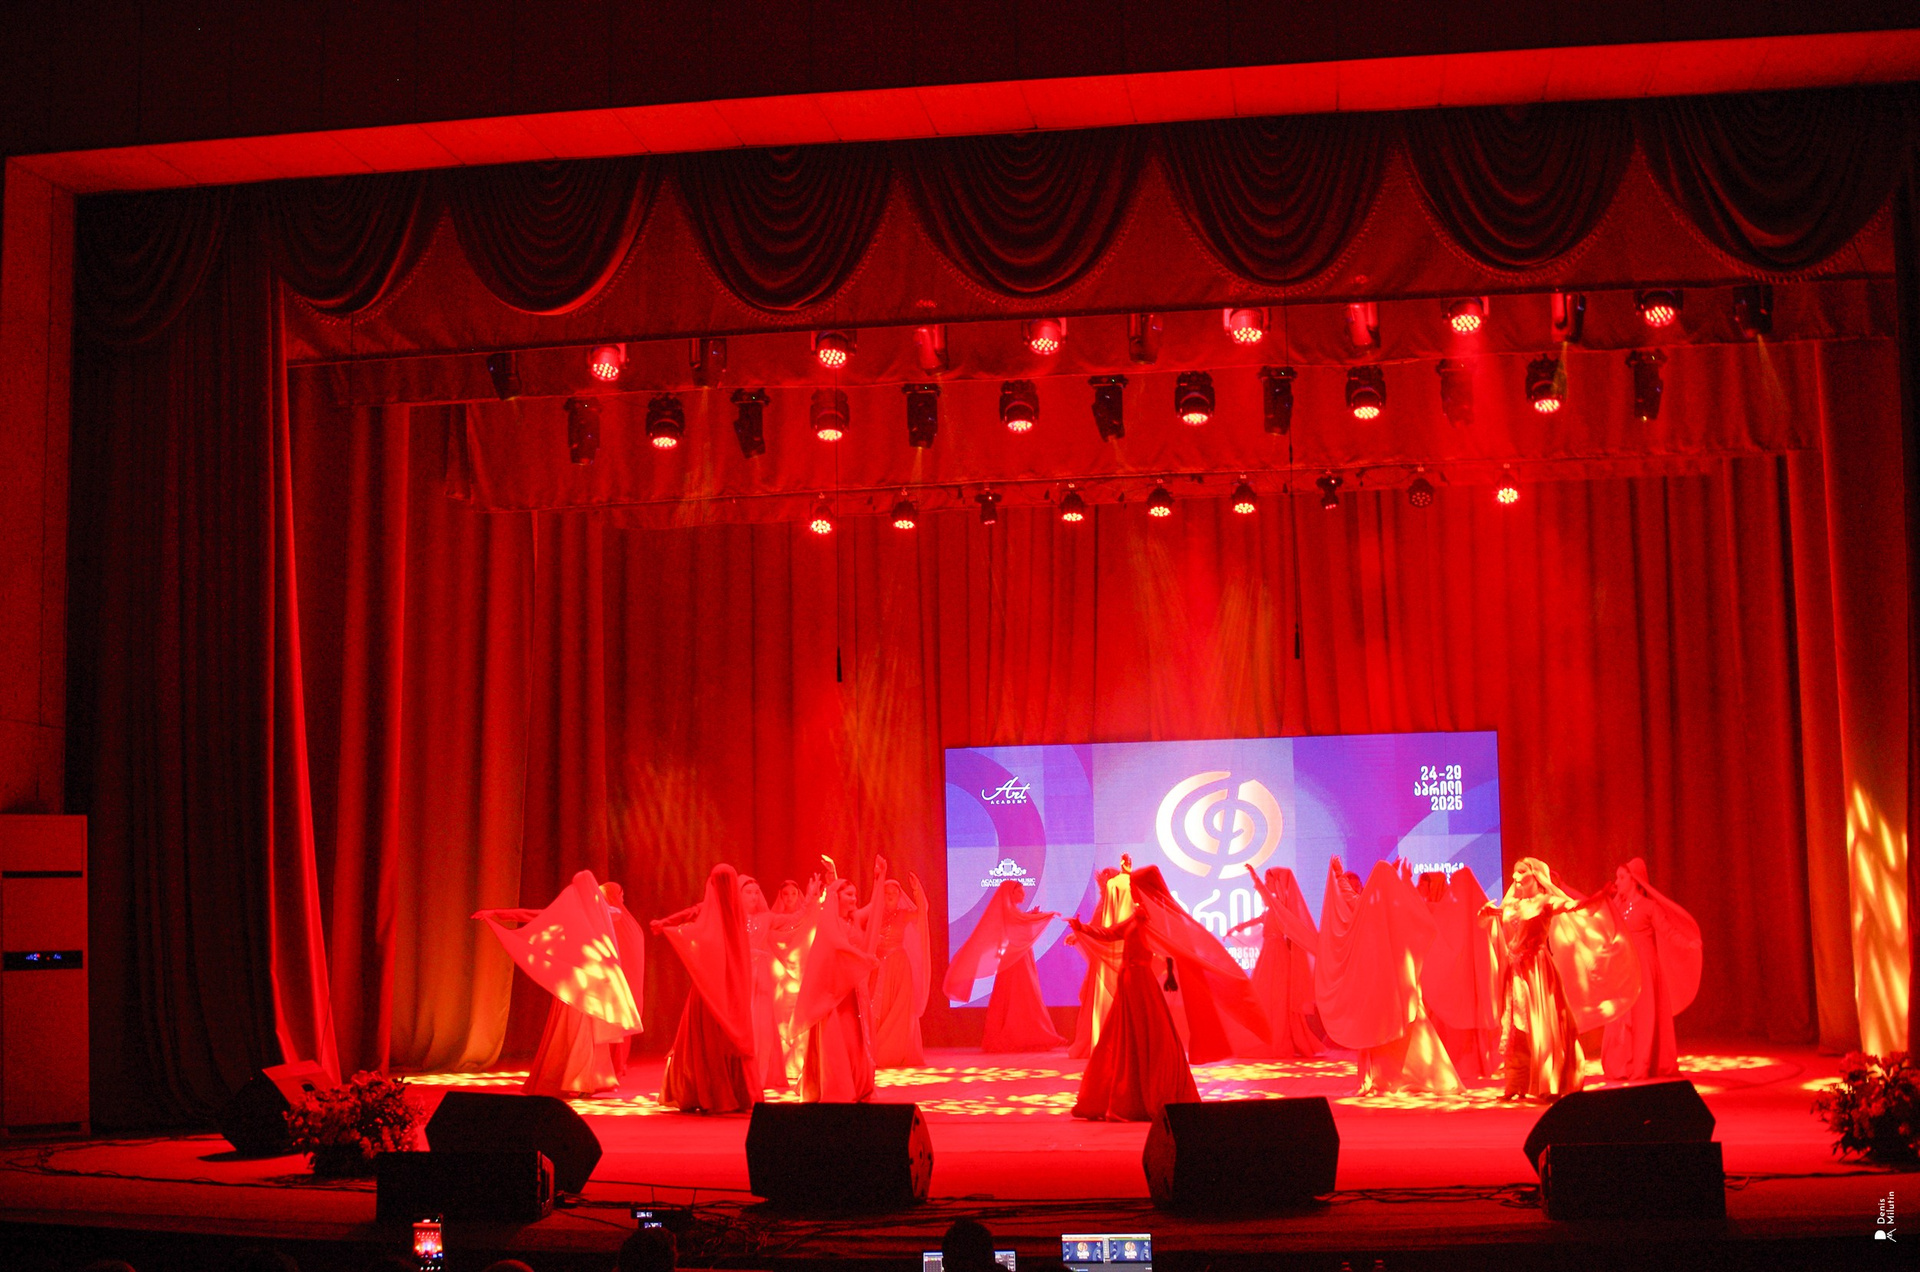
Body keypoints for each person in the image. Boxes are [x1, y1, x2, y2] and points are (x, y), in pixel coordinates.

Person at [1069, 865, 1266, 1119]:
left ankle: (1146, 1097)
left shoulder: (1155, 919)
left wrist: (1171, 972)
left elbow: (1173, 948)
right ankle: (1116, 1098)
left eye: (1134, 888)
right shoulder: (1136, 917)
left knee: (1150, 1040)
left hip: (1142, 985)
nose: (1132, 892)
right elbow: (1110, 934)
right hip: (1127, 985)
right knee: (1122, 1040)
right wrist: (1082, 928)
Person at [1479, 858, 1639, 1101]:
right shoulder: (1511, 904)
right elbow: (1494, 920)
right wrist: (1486, 914)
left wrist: (1598, 897)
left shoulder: (1546, 902)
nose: (1515, 877)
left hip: (1537, 971)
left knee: (1542, 1026)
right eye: (1514, 872)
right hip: (1515, 973)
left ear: (1535, 876)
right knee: (1516, 1028)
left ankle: (1549, 1083)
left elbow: (1574, 906)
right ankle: (1515, 1084)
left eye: (1521, 872)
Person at [475, 871, 645, 1096]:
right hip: (591, 980)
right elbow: (613, 913)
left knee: (578, 1031)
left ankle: (580, 1080)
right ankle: (586, 1079)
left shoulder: (582, 912)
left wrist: (496, 913)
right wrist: (496, 913)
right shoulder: (603, 912)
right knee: (585, 1032)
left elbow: (533, 914)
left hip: (580, 981)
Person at [1314, 858, 1460, 1095]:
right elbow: (1423, 923)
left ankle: (1389, 1077)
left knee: (1384, 1025)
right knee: (1397, 1026)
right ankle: (1404, 1076)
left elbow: (1349, 897)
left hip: (1381, 981)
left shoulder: (1370, 907)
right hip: (1393, 981)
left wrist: (1339, 875)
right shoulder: (1392, 907)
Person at [653, 863, 760, 1113]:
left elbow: (694, 921)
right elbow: (693, 913)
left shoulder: (719, 912)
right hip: (731, 986)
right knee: (729, 1035)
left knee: (709, 1036)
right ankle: (735, 1092)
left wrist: (668, 927)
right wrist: (667, 923)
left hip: (710, 986)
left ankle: (709, 1093)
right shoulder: (735, 911)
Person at [1601, 857, 1702, 1081]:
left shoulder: (1649, 907)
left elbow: (1669, 932)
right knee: (1622, 1019)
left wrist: (1688, 944)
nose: (1617, 882)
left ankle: (1641, 1065)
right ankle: (1623, 1066)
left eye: (1622, 877)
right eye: (1617, 877)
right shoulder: (1618, 906)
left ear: (1635, 881)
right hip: (1625, 971)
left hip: (1644, 971)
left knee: (1642, 1018)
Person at [944, 879, 1065, 1052]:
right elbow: (1019, 923)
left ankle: (1028, 1036)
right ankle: (1023, 1037)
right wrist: (1042, 916)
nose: (1023, 895)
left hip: (1018, 957)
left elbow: (1020, 922)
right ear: (1010, 893)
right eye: (1020, 892)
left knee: (1022, 995)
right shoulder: (1008, 912)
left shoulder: (1011, 911)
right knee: (1020, 994)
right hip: (1014, 960)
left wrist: (1032, 916)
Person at [793, 867, 880, 1102]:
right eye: (849, 894)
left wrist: (878, 879)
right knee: (837, 1041)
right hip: (834, 995)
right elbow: (838, 946)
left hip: (853, 991)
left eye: (855, 894)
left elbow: (875, 908)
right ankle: (838, 1087)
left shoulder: (855, 919)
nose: (854, 898)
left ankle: (858, 1085)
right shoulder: (828, 922)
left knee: (855, 1040)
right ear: (836, 897)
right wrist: (864, 959)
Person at [1226, 864, 1322, 1057]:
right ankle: (1268, 1036)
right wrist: (1237, 927)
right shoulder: (1273, 908)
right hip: (1268, 954)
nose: (1265, 884)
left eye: (1268, 881)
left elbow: (1266, 899)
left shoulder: (1281, 907)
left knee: (1276, 997)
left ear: (1277, 883)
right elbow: (1260, 919)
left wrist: (1254, 876)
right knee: (1264, 994)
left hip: (1277, 956)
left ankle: (1279, 1039)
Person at [1417, 868, 1500, 1079]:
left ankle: (1454, 1063)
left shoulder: (1451, 911)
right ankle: (1470, 1063)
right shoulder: (1469, 911)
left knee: (1452, 1019)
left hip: (1453, 977)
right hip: (1465, 977)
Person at [1067, 866, 1133, 1058]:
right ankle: (1101, 1040)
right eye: (1101, 881)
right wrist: (1079, 932)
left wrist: (1080, 932)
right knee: (1095, 998)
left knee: (1105, 999)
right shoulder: (1104, 902)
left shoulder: (1117, 903)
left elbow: (1109, 930)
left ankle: (1111, 1041)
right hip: (1102, 957)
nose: (1102, 884)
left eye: (1106, 880)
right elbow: (1097, 927)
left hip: (1109, 957)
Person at [869, 872, 932, 1066]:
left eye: (893, 893)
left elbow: (922, 912)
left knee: (900, 1009)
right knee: (878, 1008)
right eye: (886, 892)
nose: (890, 896)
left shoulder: (904, 914)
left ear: (899, 896)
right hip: (879, 966)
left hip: (899, 965)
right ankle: (878, 1050)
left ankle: (894, 1050)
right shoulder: (874, 915)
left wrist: (916, 890)